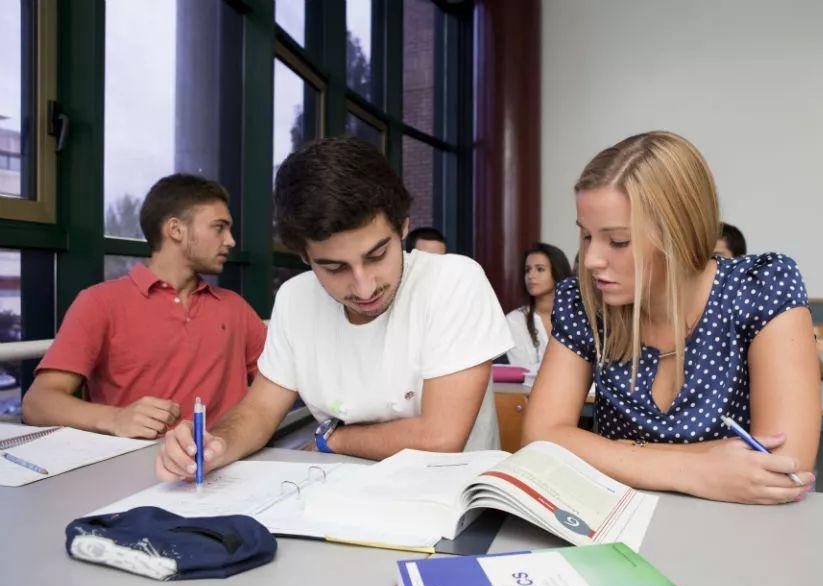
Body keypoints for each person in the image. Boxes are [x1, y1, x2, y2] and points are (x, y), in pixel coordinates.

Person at [154, 138, 514, 481]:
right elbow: (259, 410)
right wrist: (215, 444)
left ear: (402, 226)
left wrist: (334, 438)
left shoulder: (453, 281)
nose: (364, 286)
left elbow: (440, 438)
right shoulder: (296, 299)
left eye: (376, 256)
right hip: (334, 494)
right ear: (304, 256)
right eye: (334, 268)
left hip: (453, 505)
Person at [522, 131, 821, 505]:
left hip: (743, 532)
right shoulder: (584, 301)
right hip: (617, 525)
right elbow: (541, 438)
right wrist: (696, 468)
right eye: (585, 237)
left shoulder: (760, 286)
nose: (593, 259)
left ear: (678, 234)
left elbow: (783, 468)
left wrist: (607, 452)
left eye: (617, 241)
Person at [22, 174, 266, 438]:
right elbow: (38, 403)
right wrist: (116, 418)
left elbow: (281, 383)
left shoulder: (235, 307)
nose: (230, 240)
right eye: (219, 227)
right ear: (175, 230)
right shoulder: (99, 303)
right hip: (133, 471)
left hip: (225, 466)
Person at [505, 243, 572, 369]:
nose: (531, 276)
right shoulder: (515, 320)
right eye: (527, 270)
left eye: (540, 269)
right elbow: (523, 370)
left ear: (557, 271)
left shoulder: (578, 317)